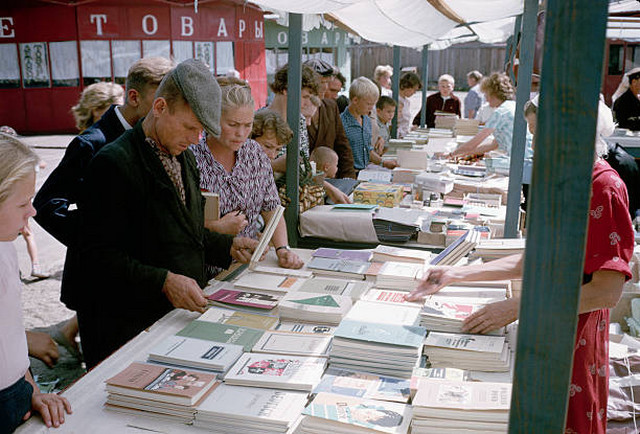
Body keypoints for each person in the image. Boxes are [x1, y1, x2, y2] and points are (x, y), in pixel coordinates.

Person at [407, 96, 634, 434]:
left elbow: (607, 290)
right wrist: (456, 273)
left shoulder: (603, 188)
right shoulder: (564, 182)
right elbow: (536, 259)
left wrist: (518, 307)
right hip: (551, 326)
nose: (535, 144)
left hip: (575, 334)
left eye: (540, 133)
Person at [73, 59, 261, 369]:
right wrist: (163, 280)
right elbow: (97, 257)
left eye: (200, 131)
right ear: (159, 107)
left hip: (174, 319)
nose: (195, 138)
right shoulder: (114, 163)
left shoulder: (183, 157)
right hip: (129, 326)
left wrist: (226, 246)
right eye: (190, 127)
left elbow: (184, 231)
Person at [33, 57, 174, 362]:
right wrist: (96, 238)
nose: (166, 110)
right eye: (159, 101)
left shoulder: (153, 136)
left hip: (135, 281)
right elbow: (46, 204)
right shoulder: (92, 143)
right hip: (98, 288)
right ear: (134, 97)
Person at [190, 78, 303, 273]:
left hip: (247, 267)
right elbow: (177, 224)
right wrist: (214, 227)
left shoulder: (255, 153)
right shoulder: (192, 158)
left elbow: (271, 208)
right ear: (212, 120)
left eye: (247, 125)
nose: (241, 133)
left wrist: (282, 248)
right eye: (233, 125)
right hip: (203, 269)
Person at [0, 135, 72, 432]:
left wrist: (32, 390)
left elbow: (9, 335)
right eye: (23, 204)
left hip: (16, 395)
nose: (32, 212)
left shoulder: (5, 247)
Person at [450, 72, 532, 159]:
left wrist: (451, 155)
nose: (486, 98)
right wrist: (463, 153)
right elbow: (493, 145)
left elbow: (473, 144)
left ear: (493, 94)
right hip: (526, 157)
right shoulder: (512, 105)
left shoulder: (500, 112)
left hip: (520, 160)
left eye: (486, 94)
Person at [304, 60, 357, 180]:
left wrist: (349, 179)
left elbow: (342, 145)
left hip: (331, 179)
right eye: (321, 82)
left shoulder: (331, 107)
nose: (325, 87)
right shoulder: (295, 110)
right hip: (305, 184)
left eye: (327, 82)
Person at [341, 77, 397, 172]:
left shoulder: (367, 120)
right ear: (355, 100)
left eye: (373, 105)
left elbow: (367, 150)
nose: (371, 108)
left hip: (365, 171)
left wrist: (384, 162)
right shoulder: (341, 122)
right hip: (349, 173)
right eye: (368, 104)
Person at [396, 72, 422, 138]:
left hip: (404, 134)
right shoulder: (394, 98)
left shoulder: (407, 102)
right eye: (414, 90)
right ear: (407, 86)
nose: (414, 93)